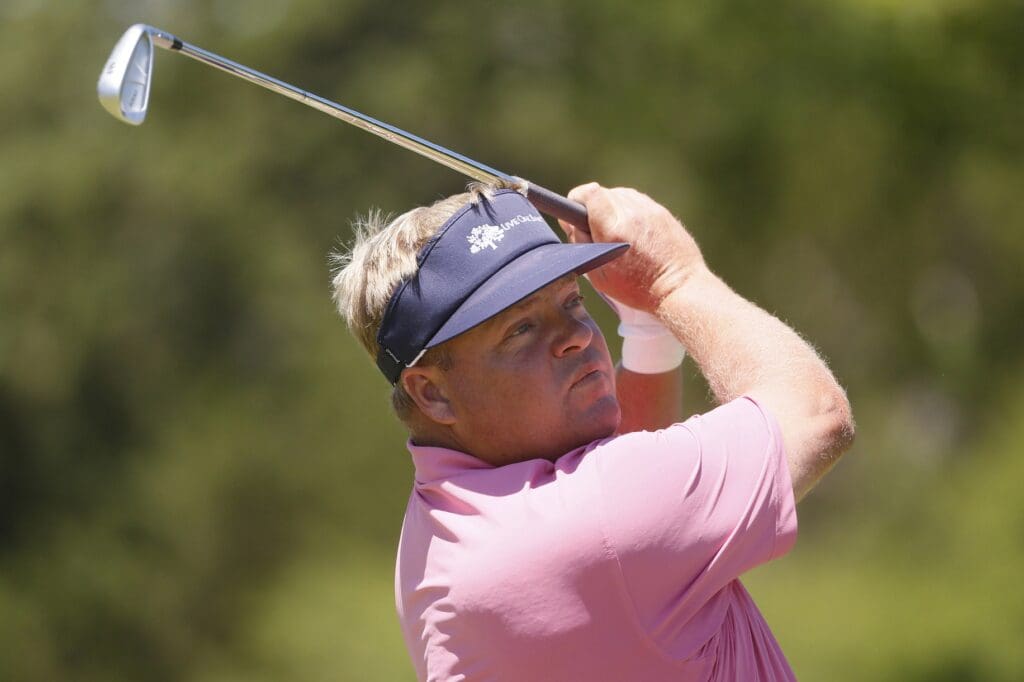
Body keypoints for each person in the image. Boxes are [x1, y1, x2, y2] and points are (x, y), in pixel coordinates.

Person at [331, 180, 854, 681]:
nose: (576, 337)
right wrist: (674, 280)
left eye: (571, 302)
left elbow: (630, 540)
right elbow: (815, 415)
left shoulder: (441, 525)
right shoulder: (593, 520)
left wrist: (648, 335)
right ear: (432, 392)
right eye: (521, 329)